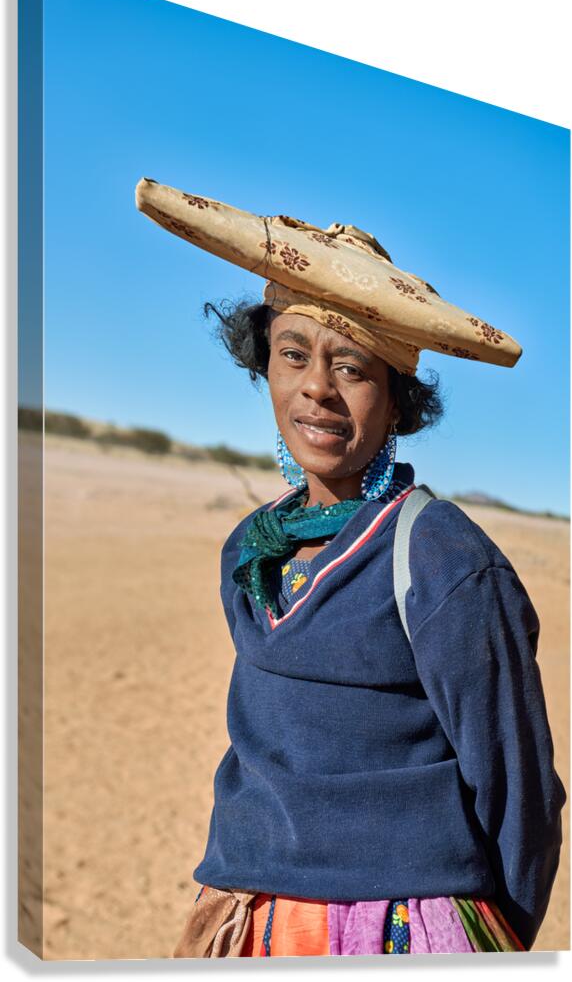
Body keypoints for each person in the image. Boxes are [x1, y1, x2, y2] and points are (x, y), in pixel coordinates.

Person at [135, 179, 566, 957]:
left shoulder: (443, 560)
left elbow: (521, 792)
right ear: (263, 365)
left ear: (399, 402)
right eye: (293, 354)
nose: (317, 390)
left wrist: (489, 939)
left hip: (398, 932)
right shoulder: (249, 548)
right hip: (248, 921)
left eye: (354, 368)